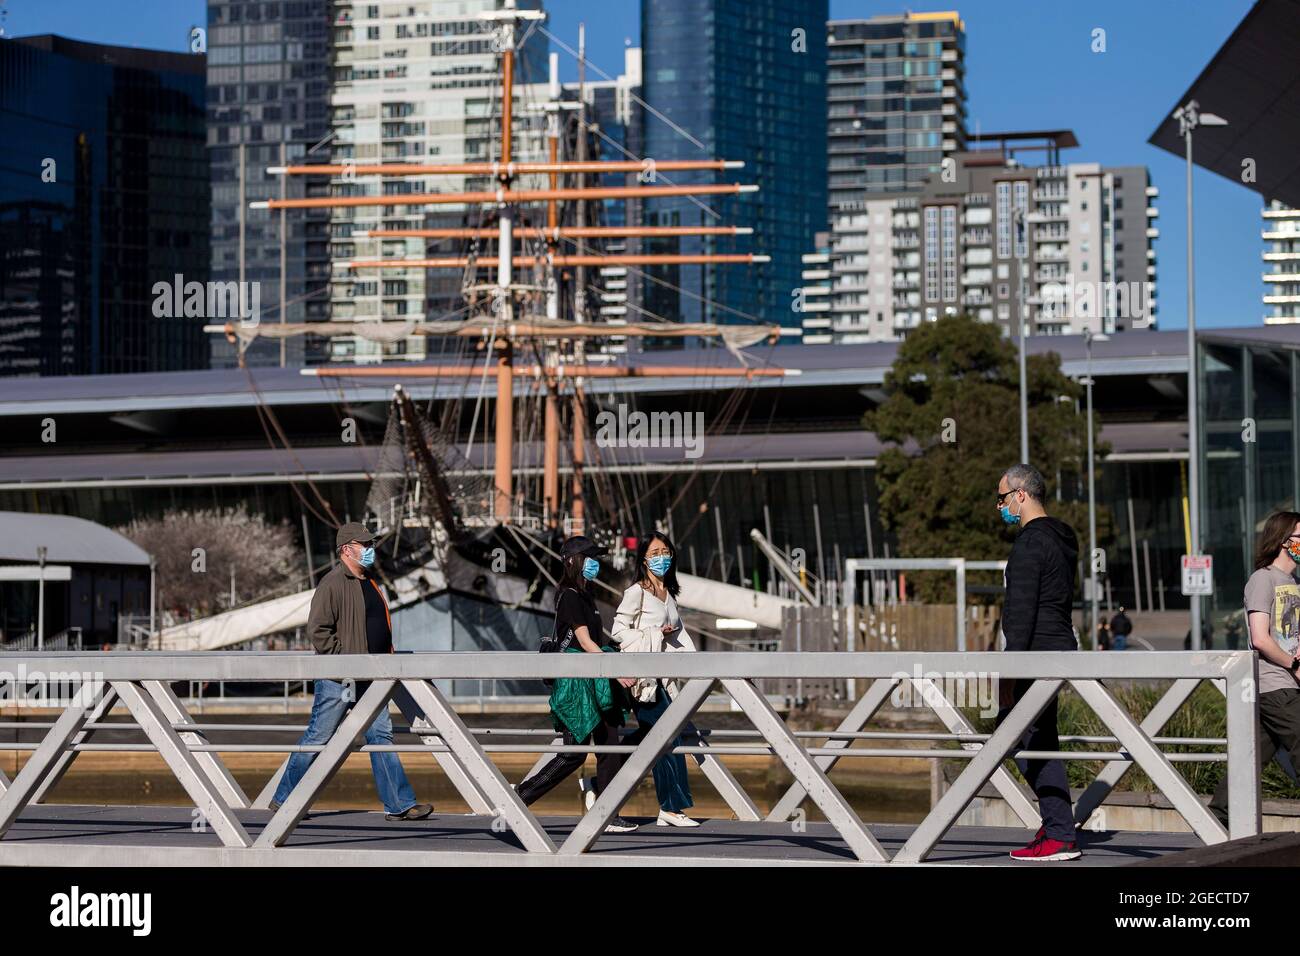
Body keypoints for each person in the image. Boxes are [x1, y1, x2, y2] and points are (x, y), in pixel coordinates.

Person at [271, 523, 433, 821]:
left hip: (373, 678)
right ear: (347, 549)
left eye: (371, 544)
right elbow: (317, 630)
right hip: (340, 678)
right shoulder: (332, 583)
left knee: (381, 737)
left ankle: (399, 804)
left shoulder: (369, 581)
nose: (371, 549)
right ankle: (284, 798)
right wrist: (344, 660)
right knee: (319, 736)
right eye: (365, 545)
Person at [516, 535, 638, 833]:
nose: (596, 563)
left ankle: (607, 815)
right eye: (590, 558)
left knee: (610, 745)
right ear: (573, 562)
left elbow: (595, 640)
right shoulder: (569, 595)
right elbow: (584, 642)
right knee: (574, 752)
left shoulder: (585, 596)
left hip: (594, 682)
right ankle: (518, 799)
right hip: (577, 686)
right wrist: (614, 671)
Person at [996, 464, 1082, 862]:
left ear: (1022, 495)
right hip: (1059, 648)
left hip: (1035, 652)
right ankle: (1057, 826)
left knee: (1019, 735)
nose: (1000, 506)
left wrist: (1009, 674)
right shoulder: (1064, 539)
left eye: (1003, 498)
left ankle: (1060, 833)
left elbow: (1021, 612)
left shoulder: (1030, 543)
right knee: (1039, 737)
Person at [1209, 511, 1300, 828]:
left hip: (1289, 682)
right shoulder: (1263, 579)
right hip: (1275, 683)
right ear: (1285, 540)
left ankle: (1219, 817)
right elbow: (1260, 638)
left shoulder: (1294, 582)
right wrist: (1295, 665)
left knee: (1252, 758)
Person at [610, 531, 699, 828]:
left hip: (665, 681)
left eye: (666, 552)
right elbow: (618, 632)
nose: (661, 557)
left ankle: (599, 782)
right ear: (644, 559)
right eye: (655, 552)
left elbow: (680, 637)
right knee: (667, 735)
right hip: (643, 683)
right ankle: (671, 808)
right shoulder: (636, 592)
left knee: (650, 739)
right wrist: (652, 635)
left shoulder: (669, 595)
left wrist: (700, 664)